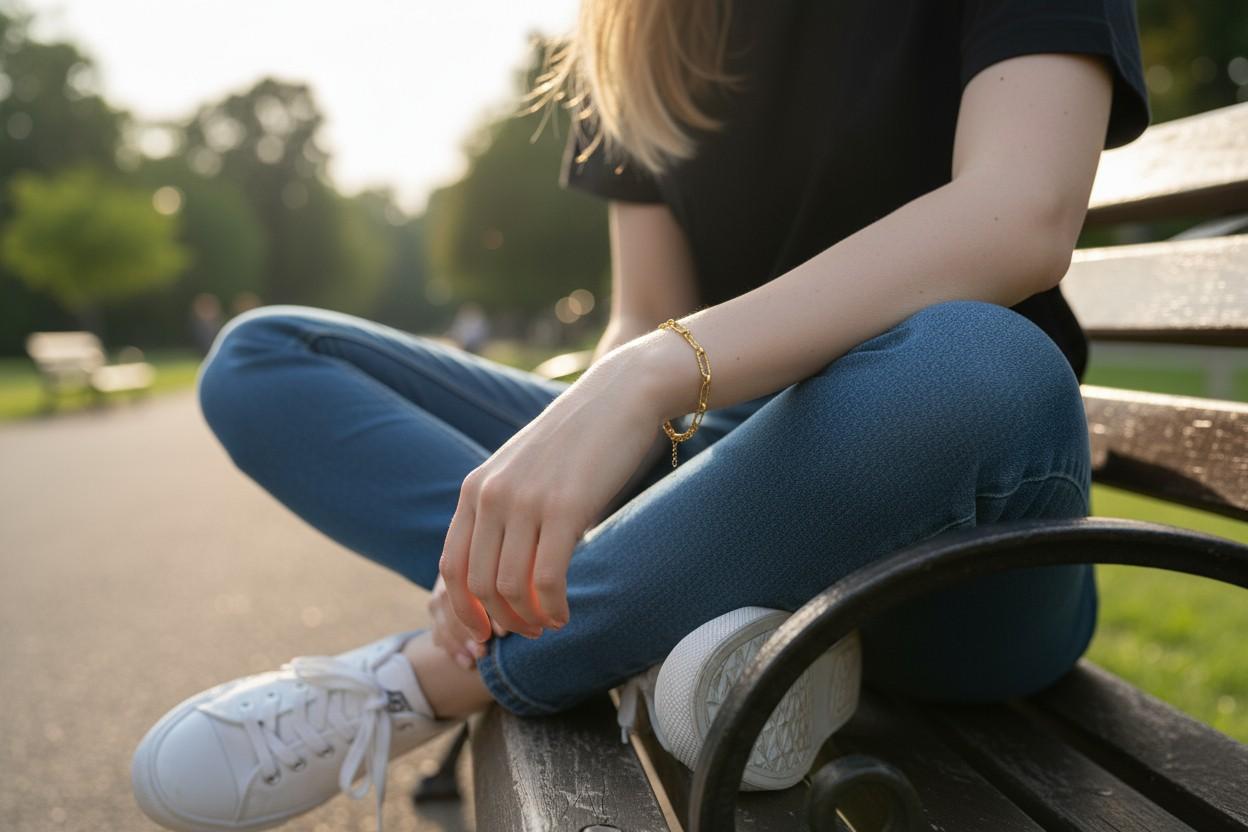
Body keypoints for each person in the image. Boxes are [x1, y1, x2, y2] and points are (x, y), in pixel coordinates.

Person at [131, 1, 1151, 830]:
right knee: (263, 358)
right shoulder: (639, 19)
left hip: (963, 528)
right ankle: (663, 607)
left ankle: (436, 675)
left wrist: (649, 375)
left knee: (977, 358)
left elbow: (1019, 217)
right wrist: (590, 406)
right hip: (720, 456)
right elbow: (645, 311)